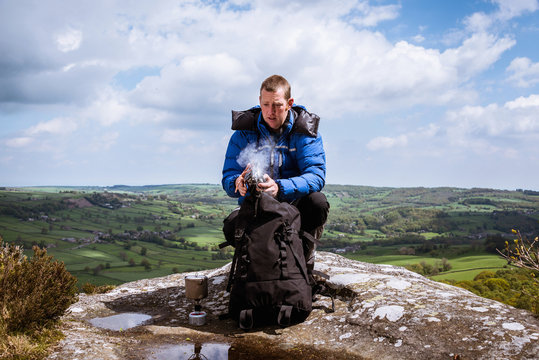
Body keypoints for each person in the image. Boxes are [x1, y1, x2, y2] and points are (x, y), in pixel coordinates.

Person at [222, 75, 329, 247]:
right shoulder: (243, 134)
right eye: (266, 104)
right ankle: (257, 261)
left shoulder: (305, 133)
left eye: (277, 105)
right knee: (231, 227)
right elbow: (229, 175)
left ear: (289, 103)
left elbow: (316, 176)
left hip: (295, 204)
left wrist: (279, 188)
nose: (271, 112)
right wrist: (237, 183)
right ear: (259, 101)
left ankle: (302, 259)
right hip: (257, 205)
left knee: (318, 203)